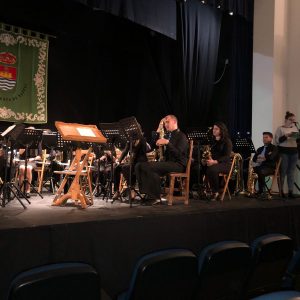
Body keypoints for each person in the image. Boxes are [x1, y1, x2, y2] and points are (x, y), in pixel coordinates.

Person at [135, 115, 188, 204]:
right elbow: (152, 147)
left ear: (175, 122)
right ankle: (149, 194)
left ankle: (154, 197)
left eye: (168, 122)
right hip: (168, 163)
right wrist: (157, 140)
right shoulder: (168, 135)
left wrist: (167, 143)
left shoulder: (181, 136)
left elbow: (179, 154)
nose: (165, 124)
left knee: (146, 166)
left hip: (178, 165)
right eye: (165, 122)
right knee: (139, 165)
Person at [202, 122, 232, 201]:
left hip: (225, 164)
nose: (213, 130)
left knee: (212, 169)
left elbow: (226, 156)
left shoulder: (227, 141)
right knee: (199, 166)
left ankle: (215, 192)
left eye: (216, 129)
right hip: (213, 163)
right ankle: (203, 189)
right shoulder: (212, 141)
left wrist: (215, 161)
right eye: (213, 129)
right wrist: (206, 160)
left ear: (221, 130)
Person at [113, 135, 148, 200]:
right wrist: (119, 161)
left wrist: (138, 142)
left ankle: (132, 189)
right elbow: (125, 151)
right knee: (117, 167)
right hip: (132, 163)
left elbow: (145, 150)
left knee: (126, 168)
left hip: (140, 163)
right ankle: (116, 191)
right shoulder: (130, 141)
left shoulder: (142, 140)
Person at [275, 111, 299, 198]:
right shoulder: (280, 129)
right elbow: (277, 141)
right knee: (283, 172)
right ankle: (281, 191)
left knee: (291, 172)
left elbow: (297, 140)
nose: (292, 121)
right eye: (290, 119)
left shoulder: (295, 128)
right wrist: (286, 136)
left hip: (294, 152)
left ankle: (290, 192)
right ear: (286, 120)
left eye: (293, 120)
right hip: (284, 152)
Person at [252, 132, 279, 196]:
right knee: (246, 170)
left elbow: (271, 157)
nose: (264, 139)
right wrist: (259, 158)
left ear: (271, 138)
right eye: (263, 137)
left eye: (266, 137)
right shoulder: (260, 148)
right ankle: (250, 190)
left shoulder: (274, 148)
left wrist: (264, 158)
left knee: (260, 171)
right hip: (260, 166)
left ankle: (261, 191)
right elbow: (254, 159)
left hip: (270, 167)